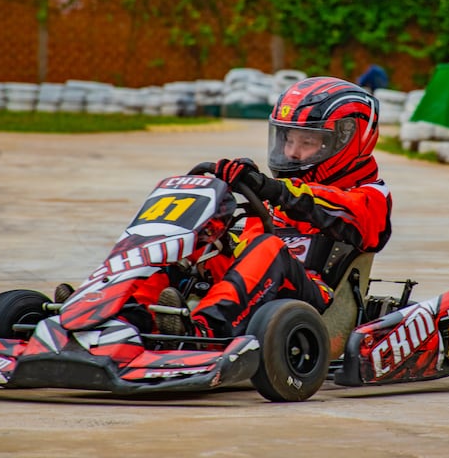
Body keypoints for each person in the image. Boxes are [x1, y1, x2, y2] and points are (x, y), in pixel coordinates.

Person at [143, 77, 392, 339]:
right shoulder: (279, 195)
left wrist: (271, 189)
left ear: (345, 140)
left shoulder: (370, 196)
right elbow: (247, 249)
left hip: (315, 307)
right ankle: (130, 317)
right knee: (179, 244)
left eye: (307, 143)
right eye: (289, 141)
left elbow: (322, 204)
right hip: (258, 293)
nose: (293, 153)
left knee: (269, 247)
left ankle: (204, 332)